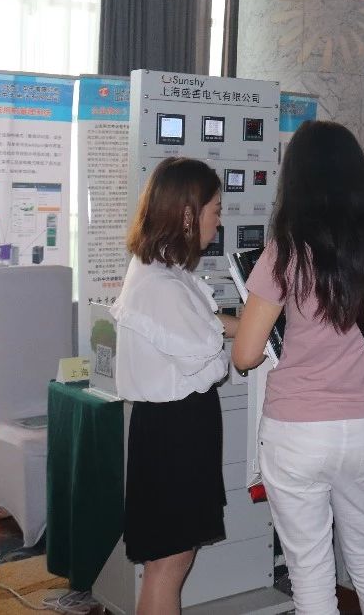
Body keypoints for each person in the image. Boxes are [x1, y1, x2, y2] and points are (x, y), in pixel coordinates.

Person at [233, 122, 364, 615]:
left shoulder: (286, 249)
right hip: (362, 426)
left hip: (295, 429)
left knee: (310, 571)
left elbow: (245, 354)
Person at [112, 157, 237, 614]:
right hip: (174, 432)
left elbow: (212, 324)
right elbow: (208, 351)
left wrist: (257, 324)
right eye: (215, 210)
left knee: (170, 560)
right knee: (170, 561)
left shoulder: (163, 271)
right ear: (188, 214)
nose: (218, 223)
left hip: (175, 428)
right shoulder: (160, 285)